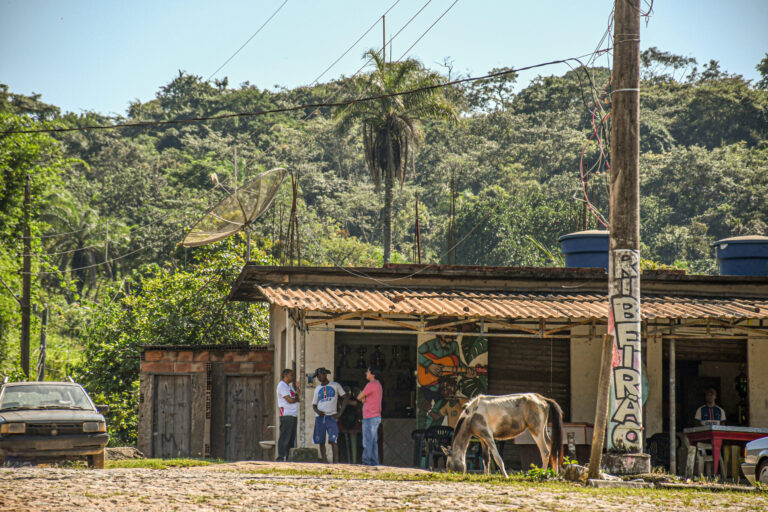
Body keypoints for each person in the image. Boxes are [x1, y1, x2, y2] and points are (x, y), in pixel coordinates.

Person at [311, 367, 350, 463]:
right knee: (321, 441)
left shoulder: (335, 385)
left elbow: (345, 397)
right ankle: (325, 461)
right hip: (320, 418)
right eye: (318, 376)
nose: (319, 377)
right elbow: (314, 405)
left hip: (331, 417)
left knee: (333, 440)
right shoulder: (317, 389)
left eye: (321, 375)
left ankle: (335, 462)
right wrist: (318, 412)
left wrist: (339, 413)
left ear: (325, 374)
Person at [357, 366, 383, 466]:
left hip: (369, 416)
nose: (366, 373)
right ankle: (374, 462)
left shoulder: (371, 385)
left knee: (368, 440)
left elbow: (360, 397)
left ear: (373, 374)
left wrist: (363, 399)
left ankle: (366, 461)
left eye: (367, 372)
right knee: (373, 440)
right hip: (375, 416)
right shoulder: (378, 384)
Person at [276, 369, 299, 461]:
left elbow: (299, 397)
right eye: (291, 375)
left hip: (293, 414)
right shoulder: (281, 386)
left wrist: (297, 388)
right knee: (285, 435)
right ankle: (281, 456)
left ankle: (289, 456)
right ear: (286, 376)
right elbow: (289, 400)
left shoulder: (289, 387)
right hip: (286, 414)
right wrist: (296, 399)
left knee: (291, 436)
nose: (293, 377)